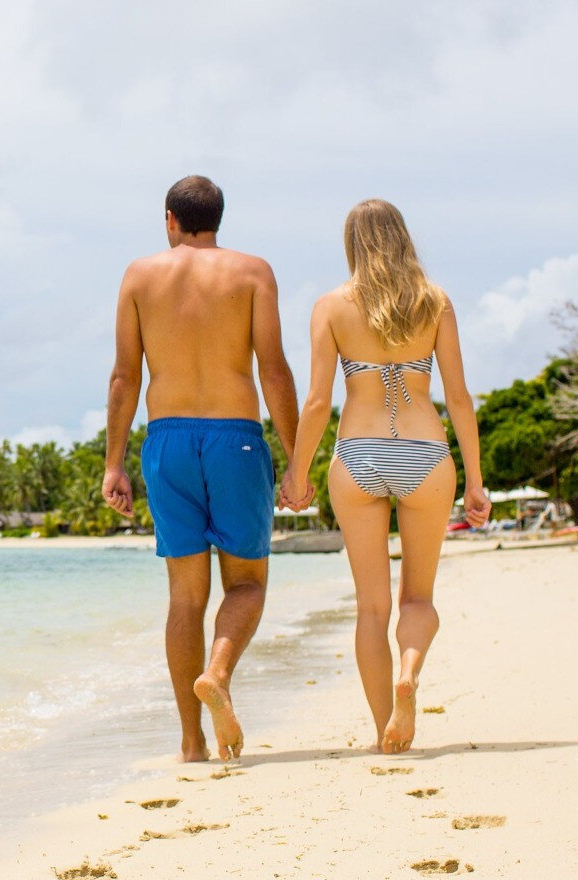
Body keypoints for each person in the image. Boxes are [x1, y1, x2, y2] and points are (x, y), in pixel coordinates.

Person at [279, 199, 490, 754]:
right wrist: (475, 480)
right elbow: (460, 397)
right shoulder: (434, 302)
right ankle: (410, 673)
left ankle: (383, 737)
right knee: (417, 599)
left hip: (358, 455)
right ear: (402, 237)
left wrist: (296, 474)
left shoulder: (329, 306)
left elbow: (318, 401)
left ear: (351, 243)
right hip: (424, 452)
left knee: (371, 608)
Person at [101, 175, 299, 763]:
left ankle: (191, 744)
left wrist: (114, 463)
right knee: (246, 583)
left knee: (185, 599)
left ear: (169, 218)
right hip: (235, 437)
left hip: (167, 440)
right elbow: (275, 370)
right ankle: (217, 671)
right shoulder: (253, 272)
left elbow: (124, 377)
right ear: (219, 217)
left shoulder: (139, 276)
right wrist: (295, 459)